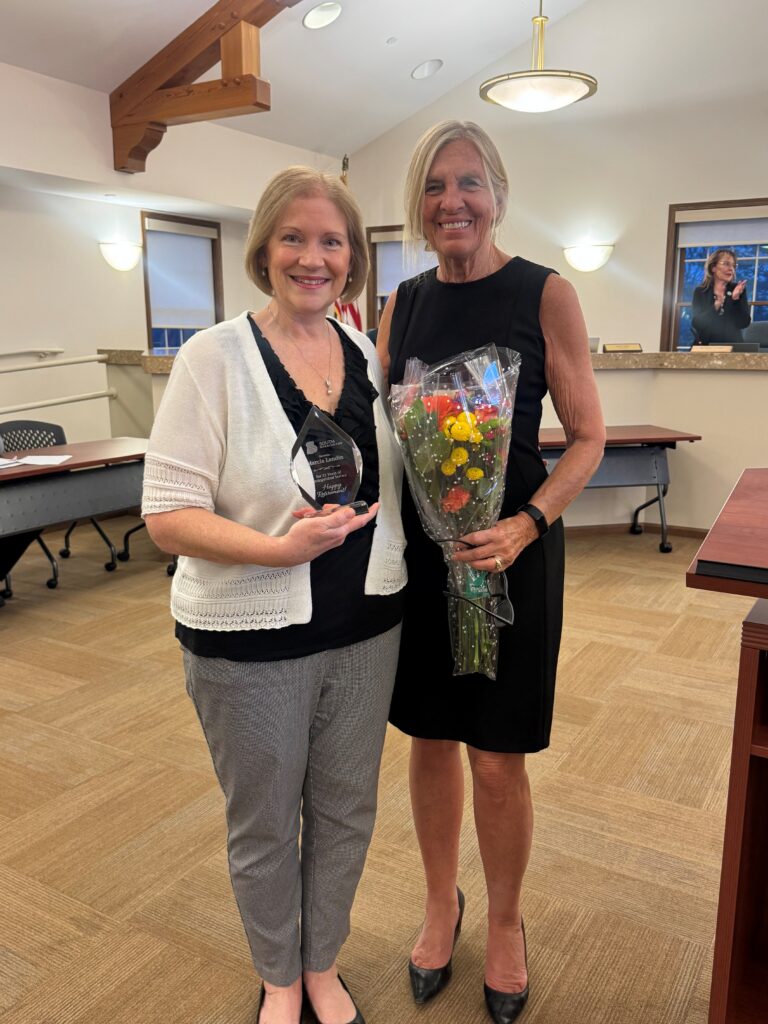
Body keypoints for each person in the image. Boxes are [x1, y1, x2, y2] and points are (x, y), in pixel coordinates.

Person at [142, 166, 407, 1024]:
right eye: (293, 237)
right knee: (265, 824)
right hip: (249, 638)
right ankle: (280, 979)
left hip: (366, 628)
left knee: (344, 813)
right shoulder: (212, 357)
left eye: (332, 241)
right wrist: (272, 549)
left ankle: (321, 962)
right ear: (264, 248)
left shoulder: (363, 352)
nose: (312, 257)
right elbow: (166, 516)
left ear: (353, 259)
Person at [376, 121, 605, 1024]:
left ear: (497, 194)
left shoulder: (544, 294)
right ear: (420, 207)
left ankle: (504, 922)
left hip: (512, 558)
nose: (452, 202)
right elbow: (386, 429)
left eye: (469, 182)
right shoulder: (403, 302)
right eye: (434, 187)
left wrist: (524, 523)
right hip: (426, 568)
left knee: (498, 760)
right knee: (429, 742)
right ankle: (444, 901)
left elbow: (586, 438)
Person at [691, 248, 750, 345]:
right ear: (713, 267)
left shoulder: (738, 290)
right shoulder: (700, 291)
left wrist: (735, 299)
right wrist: (716, 306)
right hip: (706, 346)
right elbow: (697, 324)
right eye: (726, 264)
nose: (731, 268)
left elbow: (744, 323)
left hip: (733, 348)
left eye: (734, 265)